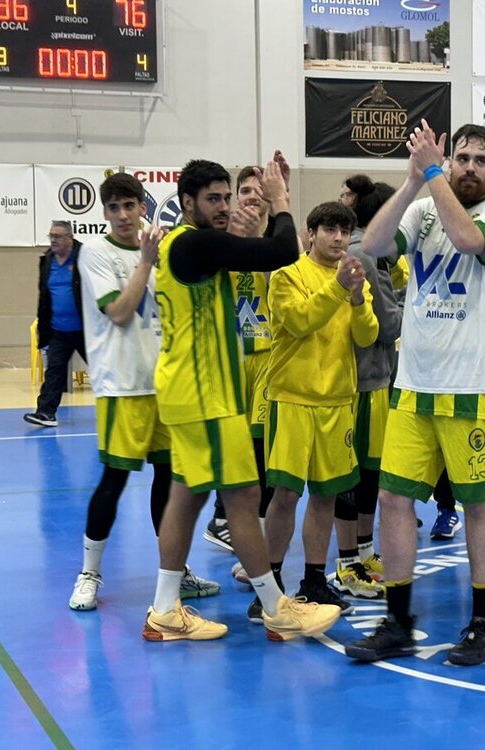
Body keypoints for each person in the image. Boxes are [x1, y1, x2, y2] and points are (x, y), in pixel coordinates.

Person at [344, 121, 485, 665]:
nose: (469, 167)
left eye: (479, 160)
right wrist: (409, 183)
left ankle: (484, 623)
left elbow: (468, 240)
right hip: (414, 387)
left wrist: (433, 173)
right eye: (461, 157)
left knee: (476, 506)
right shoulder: (423, 210)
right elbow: (372, 244)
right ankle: (398, 621)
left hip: (471, 390)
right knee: (394, 501)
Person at [142, 157, 340, 642]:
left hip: (191, 392)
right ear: (186, 203)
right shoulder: (192, 243)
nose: (224, 206)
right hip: (205, 395)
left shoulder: (193, 248)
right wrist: (281, 202)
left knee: (186, 498)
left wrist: (253, 227)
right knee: (244, 498)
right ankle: (277, 609)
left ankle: (165, 609)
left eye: (227, 197)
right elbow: (280, 256)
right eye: (213, 199)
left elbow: (250, 255)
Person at [69, 173, 218, 611]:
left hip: (166, 385)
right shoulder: (97, 252)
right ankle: (89, 573)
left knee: (170, 483)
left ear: (142, 208)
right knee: (113, 481)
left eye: (128, 206)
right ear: (104, 213)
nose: (122, 216)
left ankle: (175, 573)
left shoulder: (164, 248)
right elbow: (118, 311)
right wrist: (146, 262)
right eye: (113, 208)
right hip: (122, 386)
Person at [260, 201, 379, 616]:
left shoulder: (351, 281)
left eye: (344, 231)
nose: (338, 238)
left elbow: (367, 337)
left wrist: (359, 300)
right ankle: (269, 585)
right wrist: (338, 289)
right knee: (286, 494)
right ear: (311, 233)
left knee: (327, 496)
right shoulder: (287, 276)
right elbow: (300, 321)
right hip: (292, 399)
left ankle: (313, 580)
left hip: (337, 402)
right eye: (329, 229)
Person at [203, 163, 285, 553]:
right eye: (246, 190)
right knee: (232, 444)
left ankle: (255, 529)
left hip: (268, 357)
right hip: (232, 358)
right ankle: (223, 517)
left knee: (261, 448)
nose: (253, 196)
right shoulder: (224, 238)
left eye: (259, 190)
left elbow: (289, 284)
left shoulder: (278, 242)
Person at [333, 178, 400, 598]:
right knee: (350, 474)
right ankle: (346, 564)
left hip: (372, 378)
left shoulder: (371, 251)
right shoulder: (364, 252)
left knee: (369, 473)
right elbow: (387, 322)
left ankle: (363, 550)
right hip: (357, 380)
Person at [25, 221, 86, 428]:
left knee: (102, 368)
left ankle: (120, 408)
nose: (53, 240)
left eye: (58, 236)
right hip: (58, 329)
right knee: (54, 372)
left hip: (86, 330)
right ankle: (45, 413)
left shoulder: (84, 257)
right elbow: (44, 298)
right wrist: (44, 330)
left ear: (70, 237)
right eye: (51, 235)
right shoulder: (47, 261)